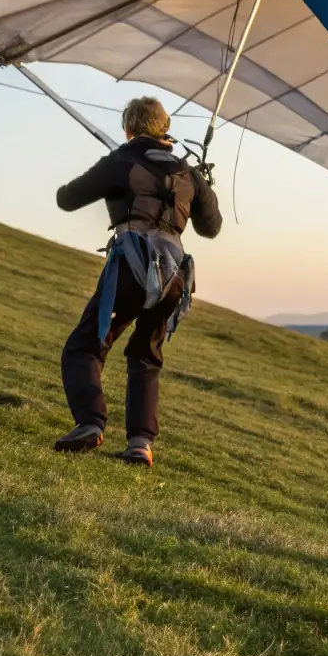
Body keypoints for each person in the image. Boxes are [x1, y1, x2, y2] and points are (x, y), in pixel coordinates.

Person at [53, 96, 222, 466]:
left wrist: (114, 175)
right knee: (146, 355)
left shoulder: (121, 161)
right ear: (165, 130)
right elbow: (212, 227)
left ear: (129, 129)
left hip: (132, 268)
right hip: (175, 278)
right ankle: (140, 444)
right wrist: (200, 188)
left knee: (85, 345)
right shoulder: (187, 174)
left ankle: (90, 423)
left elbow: (67, 199)